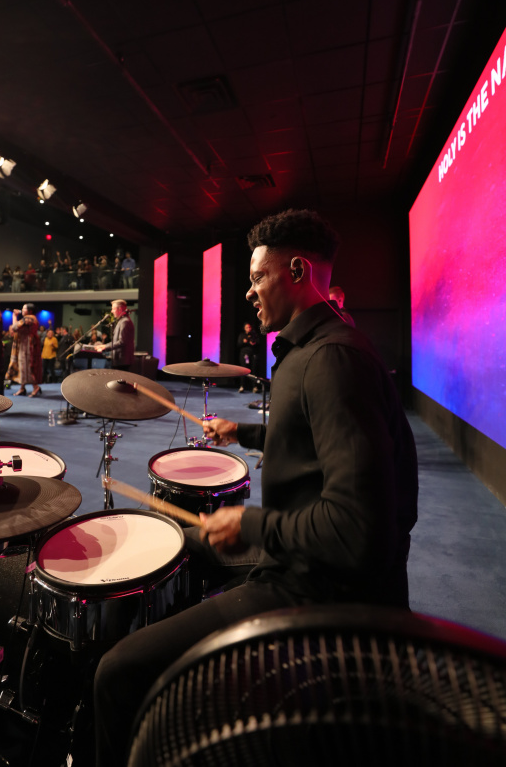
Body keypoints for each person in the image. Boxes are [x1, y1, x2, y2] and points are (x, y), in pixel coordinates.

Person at [93, 208, 418, 766]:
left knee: (117, 671)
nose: (249, 292)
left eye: (257, 277)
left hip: (319, 590)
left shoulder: (332, 361)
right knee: (177, 538)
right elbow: (307, 437)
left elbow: (357, 530)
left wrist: (250, 522)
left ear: (297, 270)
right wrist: (241, 432)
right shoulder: (314, 350)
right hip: (303, 559)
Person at [5, 303, 42, 396]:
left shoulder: (29, 318)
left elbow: (14, 327)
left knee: (27, 366)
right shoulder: (29, 318)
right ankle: (22, 388)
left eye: (24, 308)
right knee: (23, 366)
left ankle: (35, 387)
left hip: (27, 346)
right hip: (25, 344)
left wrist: (14, 316)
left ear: (30, 311)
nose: (22, 309)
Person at [94, 300, 134, 370]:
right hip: (120, 361)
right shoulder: (122, 321)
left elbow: (122, 342)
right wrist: (104, 346)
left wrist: (105, 346)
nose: (111, 311)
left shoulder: (125, 322)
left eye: (113, 309)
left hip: (122, 362)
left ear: (120, 309)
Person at [237, 321, 261, 392]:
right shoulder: (242, 335)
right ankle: (242, 386)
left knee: (254, 370)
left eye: (249, 327)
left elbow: (258, 343)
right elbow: (239, 344)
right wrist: (244, 342)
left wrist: (254, 343)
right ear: (244, 328)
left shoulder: (254, 334)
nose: (248, 328)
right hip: (244, 354)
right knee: (243, 370)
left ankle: (254, 387)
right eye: (247, 327)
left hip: (253, 354)